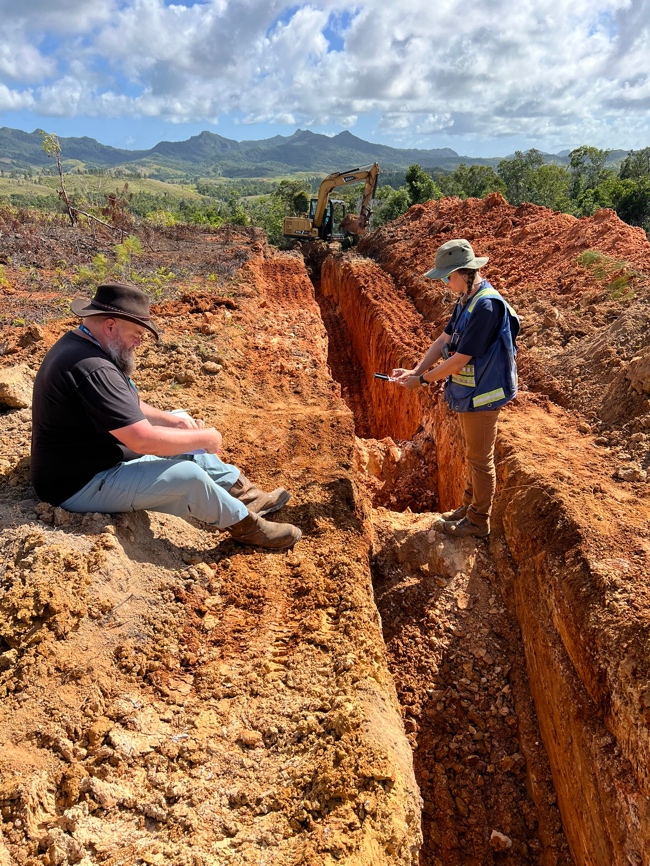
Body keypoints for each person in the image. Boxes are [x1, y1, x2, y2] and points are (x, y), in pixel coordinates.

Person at [30, 282, 301, 550]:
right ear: (110, 326)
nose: (139, 341)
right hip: (79, 484)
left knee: (181, 424)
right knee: (187, 475)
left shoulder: (85, 346)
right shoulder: (92, 368)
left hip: (95, 457)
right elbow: (142, 441)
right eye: (136, 333)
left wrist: (178, 423)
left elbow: (129, 404)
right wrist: (206, 437)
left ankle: (245, 495)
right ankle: (246, 526)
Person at [393, 239, 519, 538]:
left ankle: (478, 521)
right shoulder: (466, 300)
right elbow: (443, 341)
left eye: (448, 276)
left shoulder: (486, 307)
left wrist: (422, 382)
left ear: (465, 273)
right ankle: (468, 508)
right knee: (473, 455)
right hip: (471, 393)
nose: (445, 282)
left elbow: (459, 360)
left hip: (485, 395)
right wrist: (416, 369)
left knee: (480, 459)